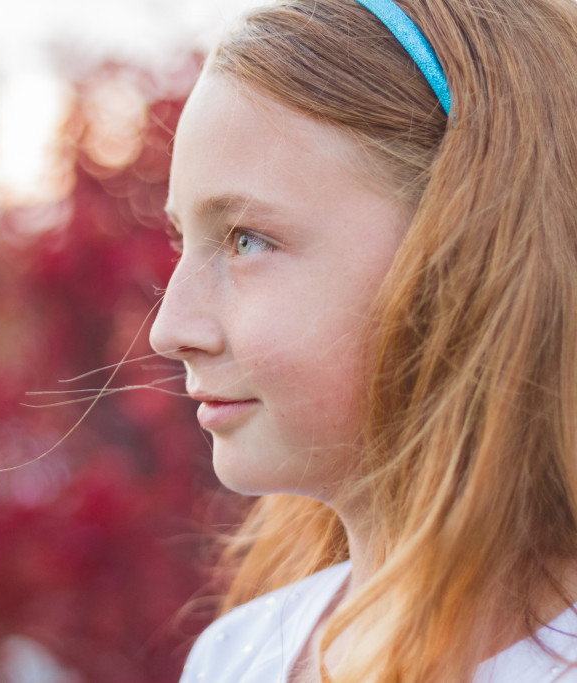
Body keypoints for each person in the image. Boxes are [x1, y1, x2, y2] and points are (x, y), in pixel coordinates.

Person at [148, 0, 577, 680]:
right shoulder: (235, 657)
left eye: (245, 240)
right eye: (181, 240)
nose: (169, 329)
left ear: (463, 250)